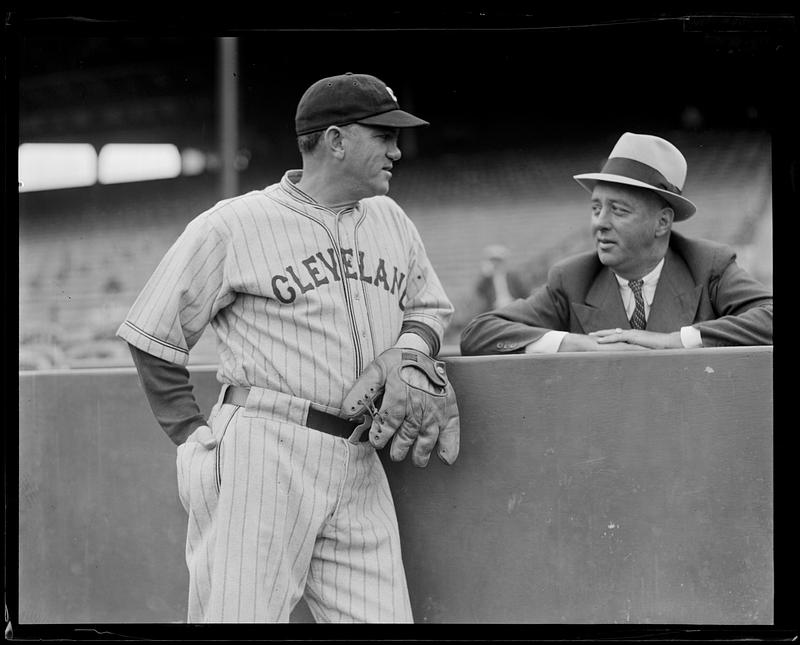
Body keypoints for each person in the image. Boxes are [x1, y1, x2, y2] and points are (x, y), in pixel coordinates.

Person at [117, 72, 459, 623]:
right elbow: (153, 332)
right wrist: (191, 435)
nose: (398, 149)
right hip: (265, 448)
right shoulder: (234, 223)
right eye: (384, 135)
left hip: (360, 457)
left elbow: (429, 308)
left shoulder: (392, 220)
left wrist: (408, 353)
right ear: (335, 139)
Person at [459, 132, 773, 355]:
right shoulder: (572, 278)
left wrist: (673, 341)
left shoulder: (708, 266)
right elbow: (479, 333)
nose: (600, 222)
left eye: (618, 210)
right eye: (596, 208)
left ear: (662, 222)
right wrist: (575, 343)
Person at [473, 244, 529, 312]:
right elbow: (479, 291)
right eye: (493, 261)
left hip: (513, 306)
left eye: (498, 261)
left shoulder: (512, 277)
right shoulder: (488, 279)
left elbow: (524, 293)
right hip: (495, 309)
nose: (496, 264)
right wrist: (485, 275)